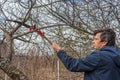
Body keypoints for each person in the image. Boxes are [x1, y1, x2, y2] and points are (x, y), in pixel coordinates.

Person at [52, 29, 120, 80]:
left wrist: (59, 50)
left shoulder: (99, 56)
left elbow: (72, 65)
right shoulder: (117, 54)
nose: (93, 41)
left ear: (104, 42)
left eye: (96, 39)